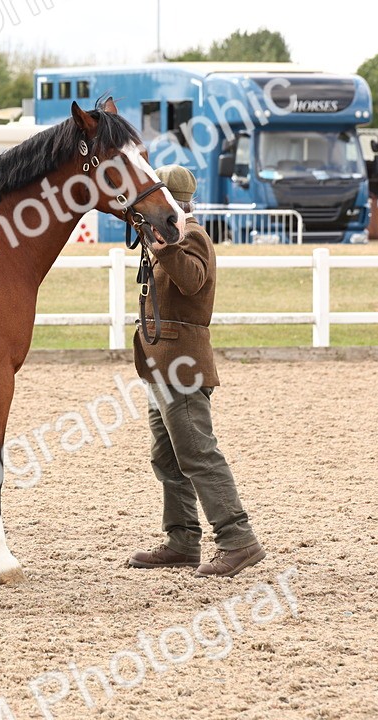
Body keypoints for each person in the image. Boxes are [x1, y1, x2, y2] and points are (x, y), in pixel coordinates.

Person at [127, 164, 266, 578]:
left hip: (182, 365)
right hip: (162, 363)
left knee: (198, 453)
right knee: (167, 457)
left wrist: (165, 247)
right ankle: (182, 540)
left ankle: (238, 539)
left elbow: (191, 281)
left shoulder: (193, 236)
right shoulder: (170, 235)